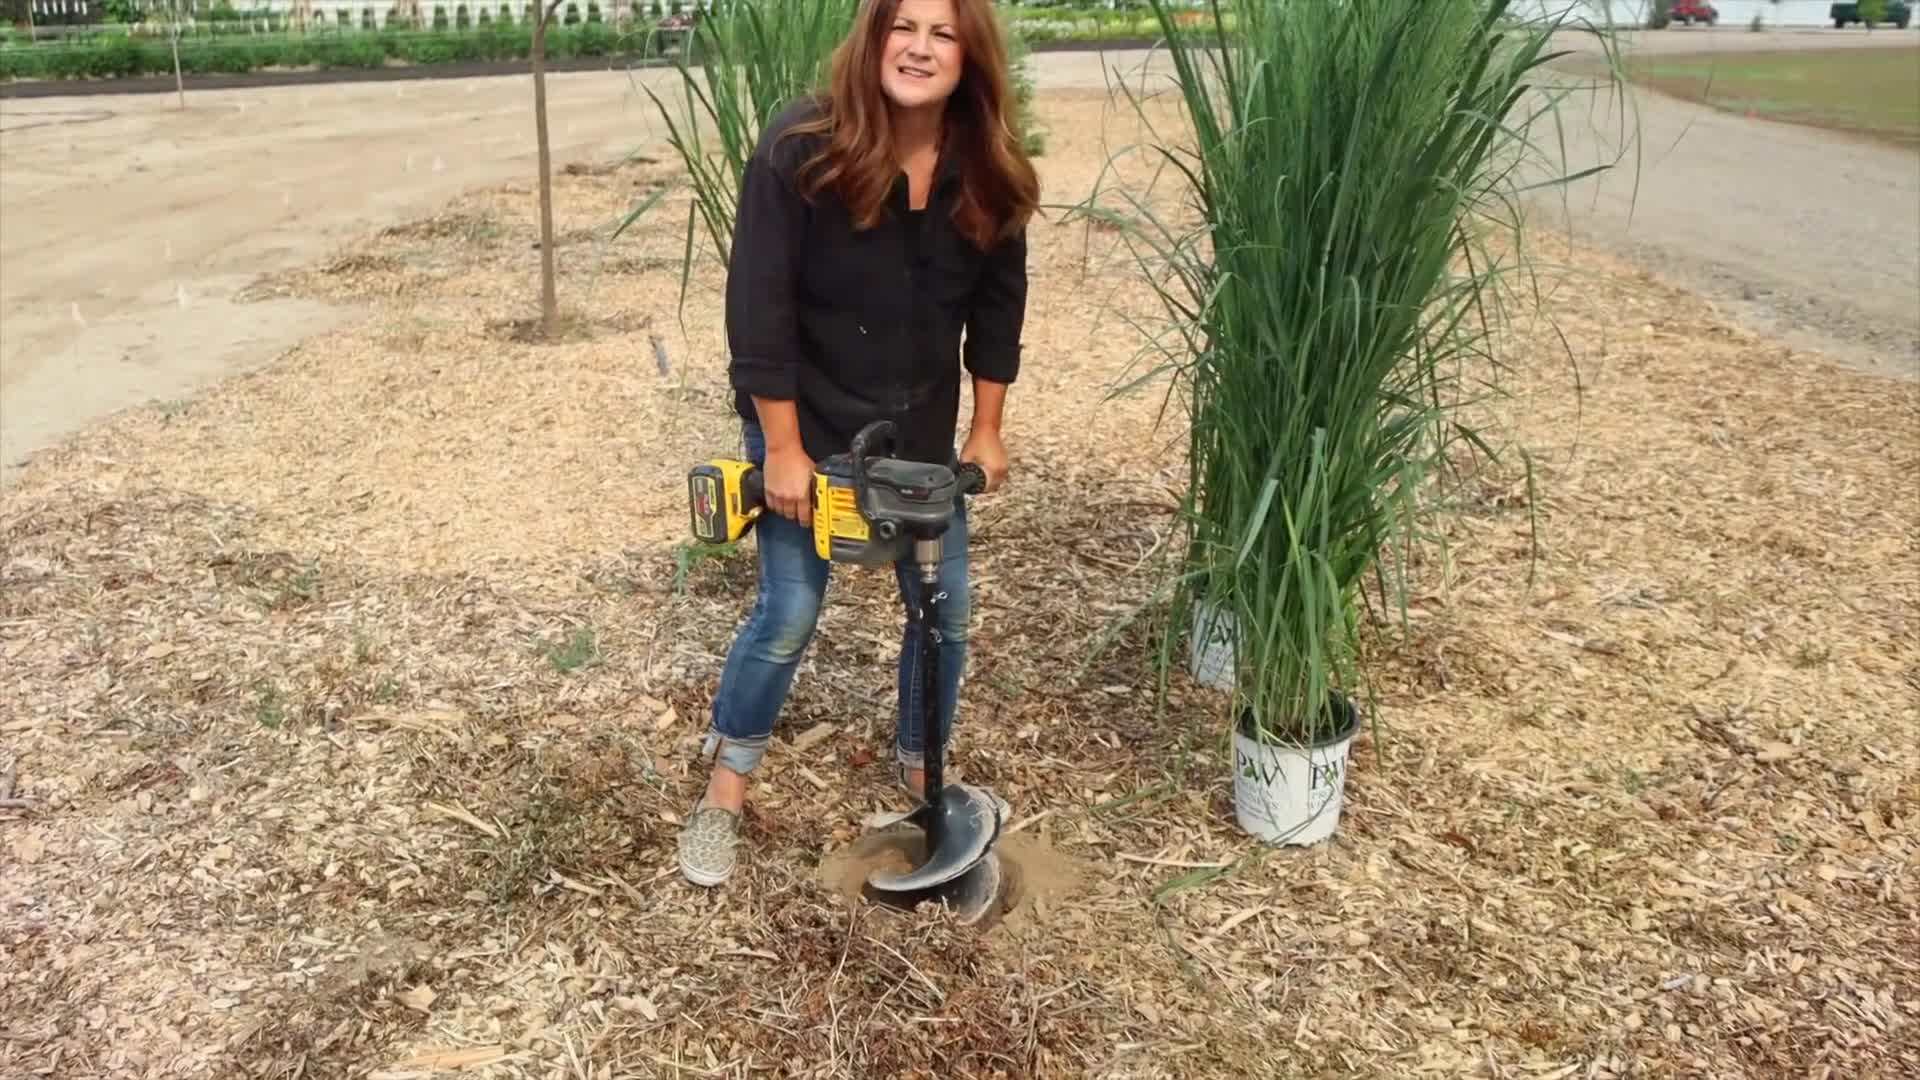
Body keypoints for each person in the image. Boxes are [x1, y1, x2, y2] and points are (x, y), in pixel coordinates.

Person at [676, 0, 1040, 887]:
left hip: (918, 436)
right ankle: (725, 790)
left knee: (944, 614)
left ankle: (923, 768)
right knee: (789, 612)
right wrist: (784, 453)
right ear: (873, 37)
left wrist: (986, 431)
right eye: (902, 26)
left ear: (971, 56)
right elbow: (758, 308)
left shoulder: (987, 168)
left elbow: (999, 309)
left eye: (943, 32)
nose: (918, 48)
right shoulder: (801, 148)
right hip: (805, 420)